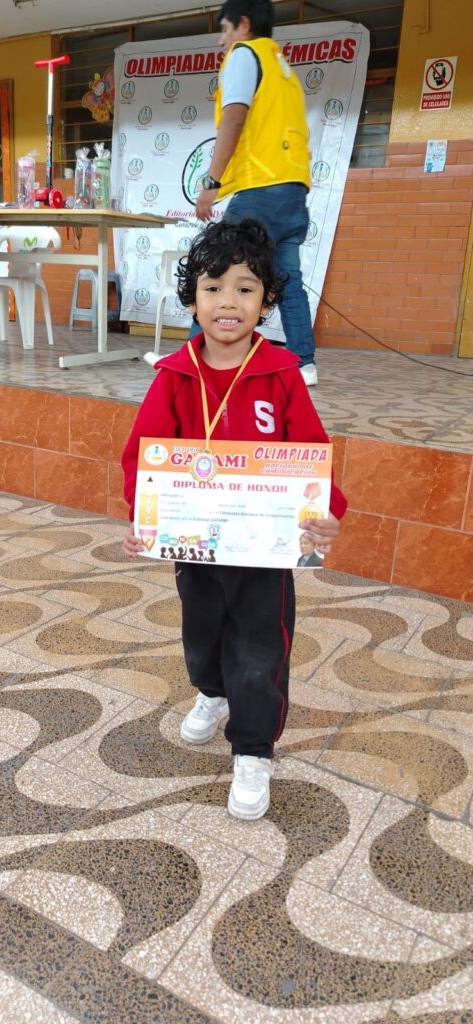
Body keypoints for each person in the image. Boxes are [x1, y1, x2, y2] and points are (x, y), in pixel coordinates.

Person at [122, 219, 347, 821]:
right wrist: (143, 514)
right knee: (202, 642)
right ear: (192, 299)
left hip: (265, 552)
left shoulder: (281, 374)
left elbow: (312, 452)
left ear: (266, 301)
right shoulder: (173, 377)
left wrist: (326, 513)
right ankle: (211, 692)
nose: (229, 301)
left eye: (245, 289)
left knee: (258, 650)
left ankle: (253, 751)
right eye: (214, 287)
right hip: (195, 547)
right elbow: (141, 455)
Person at [195, 0, 318, 386]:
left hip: (259, 189)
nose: (222, 40)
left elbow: (234, 119)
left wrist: (211, 182)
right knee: (288, 278)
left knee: (216, 268)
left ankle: (194, 359)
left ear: (244, 24)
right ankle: (303, 364)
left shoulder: (244, 56)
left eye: (225, 29)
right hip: (293, 190)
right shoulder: (282, 67)